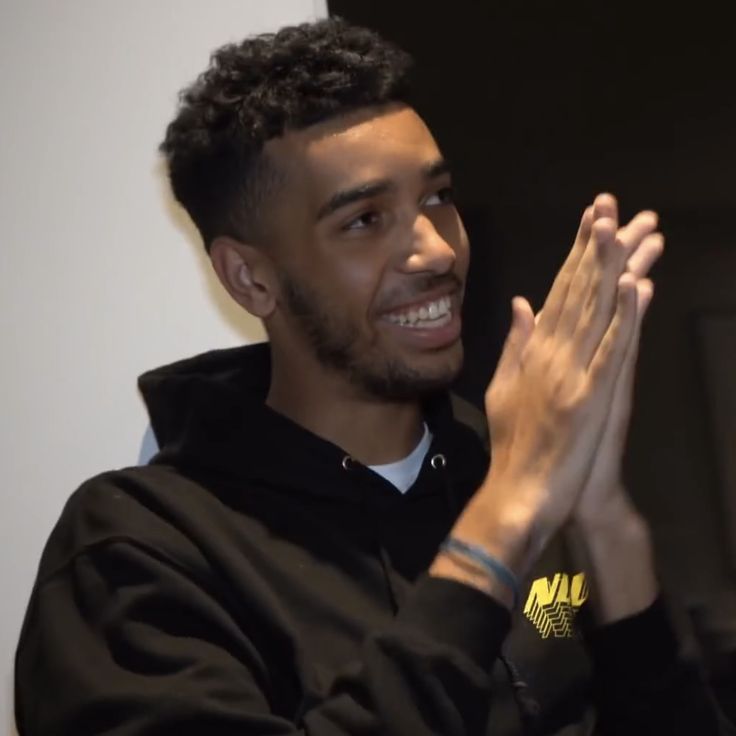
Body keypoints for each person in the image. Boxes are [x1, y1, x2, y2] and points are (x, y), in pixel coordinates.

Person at [14, 17, 731, 736]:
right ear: (250, 278)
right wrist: (510, 509)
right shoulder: (139, 550)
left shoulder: (502, 462)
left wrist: (599, 508)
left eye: (436, 198)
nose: (434, 250)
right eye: (364, 220)